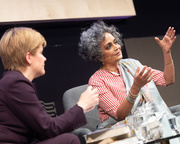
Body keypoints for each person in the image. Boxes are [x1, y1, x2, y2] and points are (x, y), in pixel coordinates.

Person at [78, 21, 180, 143]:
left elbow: (167, 79)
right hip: (121, 133)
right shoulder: (97, 81)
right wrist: (135, 88)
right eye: (108, 46)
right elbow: (120, 115)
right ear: (98, 55)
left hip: (150, 123)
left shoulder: (132, 64)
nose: (117, 47)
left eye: (115, 42)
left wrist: (167, 52)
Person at [0, 27, 99, 144]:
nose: (45, 58)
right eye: (41, 53)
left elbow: (42, 131)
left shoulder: (13, 82)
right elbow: (48, 128)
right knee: (69, 140)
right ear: (29, 57)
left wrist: (82, 108)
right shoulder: (15, 84)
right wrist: (81, 106)